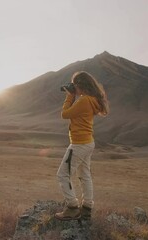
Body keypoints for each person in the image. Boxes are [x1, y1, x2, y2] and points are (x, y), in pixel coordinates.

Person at [55, 71, 109, 221]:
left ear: (80, 85)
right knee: (84, 175)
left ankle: (72, 207)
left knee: (62, 175)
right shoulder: (93, 100)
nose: (74, 88)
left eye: (75, 85)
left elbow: (65, 114)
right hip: (88, 142)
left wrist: (69, 96)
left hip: (79, 144)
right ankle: (87, 208)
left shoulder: (84, 100)